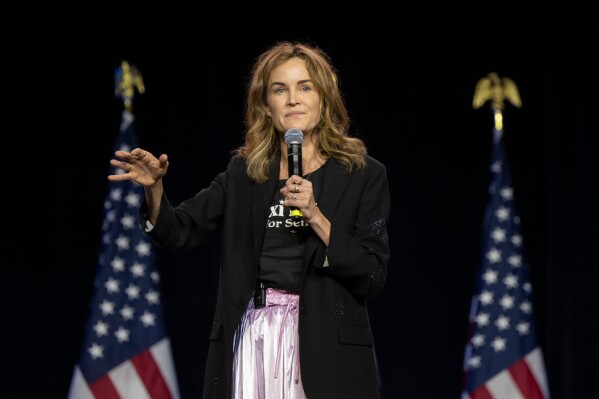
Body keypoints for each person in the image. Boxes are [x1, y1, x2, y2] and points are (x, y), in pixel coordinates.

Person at [108, 40, 391, 399]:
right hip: (254, 339)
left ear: (324, 97)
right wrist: (155, 189)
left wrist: (316, 216)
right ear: (266, 106)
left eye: (305, 87)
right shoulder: (245, 174)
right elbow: (178, 230)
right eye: (279, 89)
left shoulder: (362, 174)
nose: (293, 99)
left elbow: (372, 274)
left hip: (325, 348)